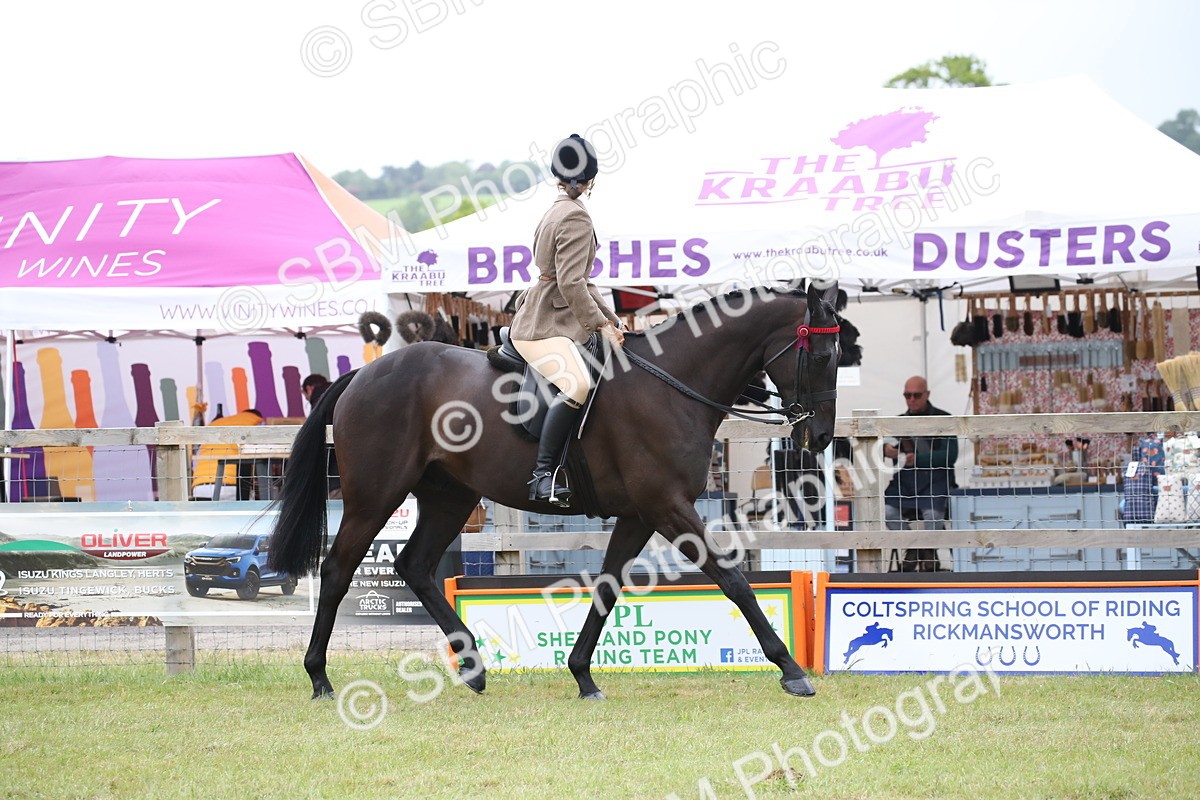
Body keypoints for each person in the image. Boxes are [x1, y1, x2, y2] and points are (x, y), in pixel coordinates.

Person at [509, 134, 624, 505]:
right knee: (577, 386)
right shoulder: (575, 215)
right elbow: (572, 283)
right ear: (590, 179)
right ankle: (543, 476)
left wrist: (612, 319)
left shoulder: (554, 210)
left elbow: (580, 282)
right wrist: (601, 327)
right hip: (545, 324)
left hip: (545, 312)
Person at [883, 376, 959, 571]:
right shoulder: (897, 422)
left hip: (937, 481)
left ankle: (924, 550)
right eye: (907, 395)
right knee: (886, 510)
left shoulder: (945, 419)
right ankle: (917, 549)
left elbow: (950, 455)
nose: (912, 400)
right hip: (906, 483)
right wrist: (886, 450)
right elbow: (885, 445)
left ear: (927, 394)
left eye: (916, 395)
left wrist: (918, 460)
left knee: (932, 513)